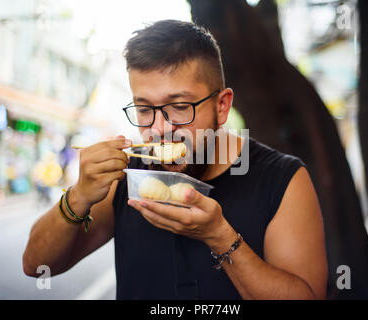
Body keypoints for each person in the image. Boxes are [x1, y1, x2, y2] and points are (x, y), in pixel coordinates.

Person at [23, 20, 328, 299]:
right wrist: (78, 196)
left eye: (180, 106)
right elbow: (37, 266)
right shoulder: (125, 175)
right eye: (144, 109)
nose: (159, 129)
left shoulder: (282, 179)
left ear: (222, 107)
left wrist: (220, 237)